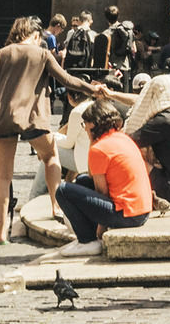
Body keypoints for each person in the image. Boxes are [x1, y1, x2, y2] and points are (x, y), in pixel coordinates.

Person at [0, 16, 94, 243]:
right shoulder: (42, 54)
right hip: (33, 118)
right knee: (51, 156)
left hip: (3, 117)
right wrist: (92, 89)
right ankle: (55, 206)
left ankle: (0, 233)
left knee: (3, 176)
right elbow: (67, 80)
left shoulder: (2, 54)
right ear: (35, 35)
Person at [53, 100, 152, 257]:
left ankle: (87, 241)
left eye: (84, 124)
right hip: (141, 211)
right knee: (82, 180)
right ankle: (88, 236)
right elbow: (92, 179)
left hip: (126, 215)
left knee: (63, 190)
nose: (84, 128)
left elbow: (101, 192)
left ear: (92, 125)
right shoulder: (123, 138)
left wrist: (101, 231)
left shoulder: (99, 149)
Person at [98, 73, 170, 211]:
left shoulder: (165, 121)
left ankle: (129, 201)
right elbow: (139, 101)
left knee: (132, 155)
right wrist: (111, 95)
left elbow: (127, 142)